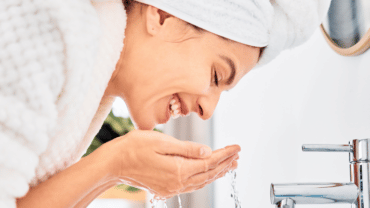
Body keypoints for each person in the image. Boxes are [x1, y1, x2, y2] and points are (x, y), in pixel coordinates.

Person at [0, 0, 330, 207]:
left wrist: (116, 169)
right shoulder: (54, 21)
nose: (208, 111)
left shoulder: (93, 75)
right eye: (216, 75)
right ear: (161, 15)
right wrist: (114, 164)